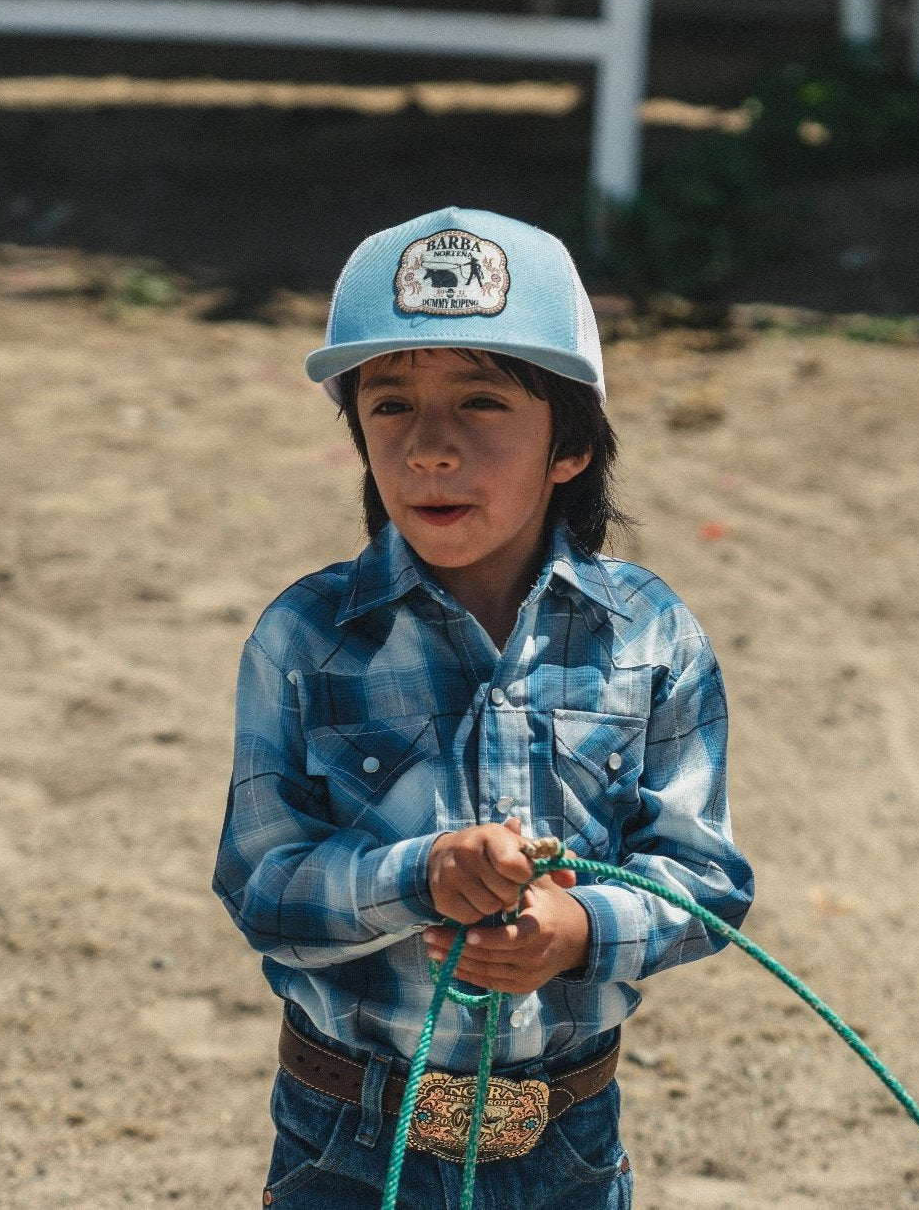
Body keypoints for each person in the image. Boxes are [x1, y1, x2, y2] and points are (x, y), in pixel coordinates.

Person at [213, 207, 754, 1208]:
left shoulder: (648, 636)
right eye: (390, 405)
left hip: (567, 1137)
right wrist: (419, 874)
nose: (430, 447)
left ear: (572, 446)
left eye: (481, 402)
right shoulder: (303, 638)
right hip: (348, 1134)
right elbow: (264, 889)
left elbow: (705, 882)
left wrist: (577, 928)